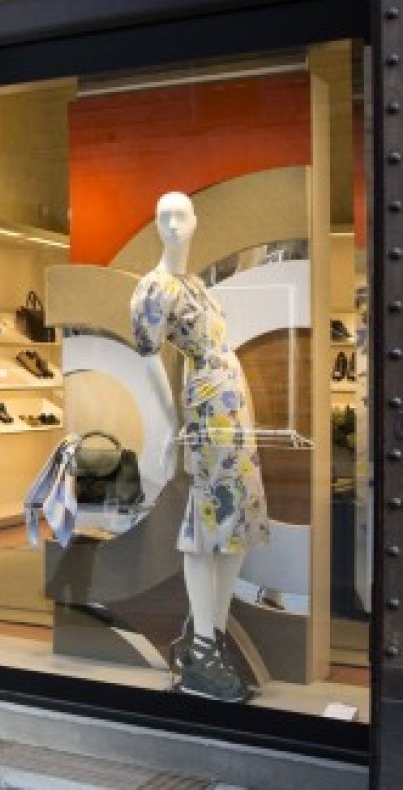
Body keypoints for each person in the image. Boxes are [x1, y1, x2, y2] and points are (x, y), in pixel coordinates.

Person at [130, 191, 271, 703]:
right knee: (211, 516)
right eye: (163, 216)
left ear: (195, 221)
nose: (172, 225)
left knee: (236, 521)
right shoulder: (155, 286)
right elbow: (148, 355)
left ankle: (211, 636)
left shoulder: (194, 283)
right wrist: (171, 424)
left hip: (231, 402)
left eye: (181, 215)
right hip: (209, 404)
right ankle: (204, 647)